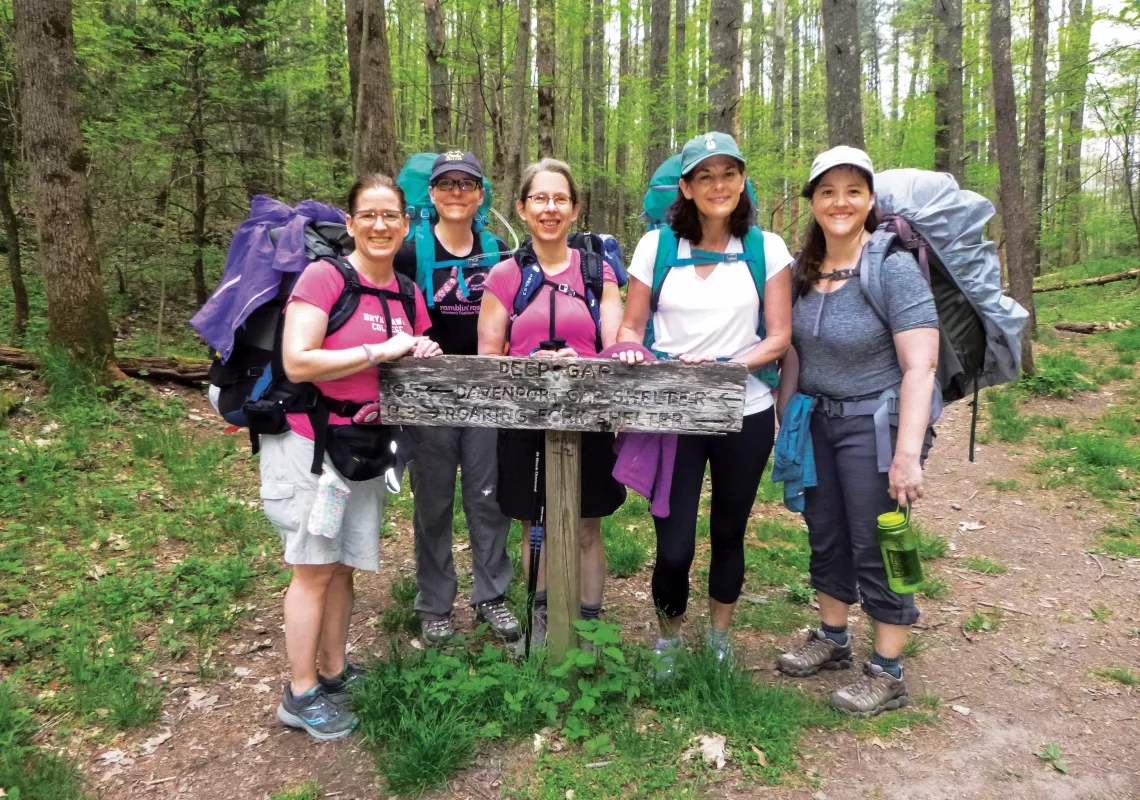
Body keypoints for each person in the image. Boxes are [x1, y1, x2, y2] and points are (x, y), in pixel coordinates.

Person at [266, 173, 441, 740]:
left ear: (406, 223)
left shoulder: (407, 293)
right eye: (368, 214)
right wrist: (377, 349)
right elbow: (297, 361)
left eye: (391, 215)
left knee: (340, 566)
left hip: (362, 450)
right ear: (350, 223)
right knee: (313, 568)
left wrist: (419, 349)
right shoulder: (324, 278)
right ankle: (300, 693)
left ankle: (335, 671)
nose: (380, 225)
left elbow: (403, 358)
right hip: (310, 446)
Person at [613, 132, 793, 675]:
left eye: (729, 174)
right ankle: (669, 637)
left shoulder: (768, 248)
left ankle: (718, 637)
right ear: (686, 187)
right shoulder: (657, 246)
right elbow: (631, 324)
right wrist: (636, 355)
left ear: (743, 182)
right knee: (673, 541)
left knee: (729, 531)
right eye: (705, 176)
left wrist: (726, 369)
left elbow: (779, 336)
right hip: (674, 410)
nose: (719, 185)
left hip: (747, 408)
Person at [773, 146, 939, 717]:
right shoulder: (803, 270)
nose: (839, 202)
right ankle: (833, 637)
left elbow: (921, 365)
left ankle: (888, 670)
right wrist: (786, 422)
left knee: (881, 539)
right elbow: (795, 354)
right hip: (816, 422)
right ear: (812, 201)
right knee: (826, 532)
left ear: (869, 199)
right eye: (827, 191)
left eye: (852, 191)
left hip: (877, 423)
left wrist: (908, 455)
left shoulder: (890, 266)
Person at [477, 158, 626, 647]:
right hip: (523, 417)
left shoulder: (597, 271)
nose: (550, 208)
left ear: (575, 209)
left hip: (590, 414)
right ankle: (542, 618)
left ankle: (588, 623)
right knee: (532, 523)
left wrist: (578, 363)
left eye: (560, 198)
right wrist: (534, 368)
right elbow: (488, 357)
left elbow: (614, 344)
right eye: (540, 198)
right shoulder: (504, 275)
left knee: (587, 525)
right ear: (522, 208)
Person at [393, 151, 519, 644]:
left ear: (480, 193)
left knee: (489, 500)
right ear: (433, 193)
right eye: (447, 184)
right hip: (428, 396)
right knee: (434, 501)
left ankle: (491, 595)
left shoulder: (499, 252)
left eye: (467, 184)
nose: (457, 193)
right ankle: (435, 603)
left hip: (486, 390)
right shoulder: (409, 251)